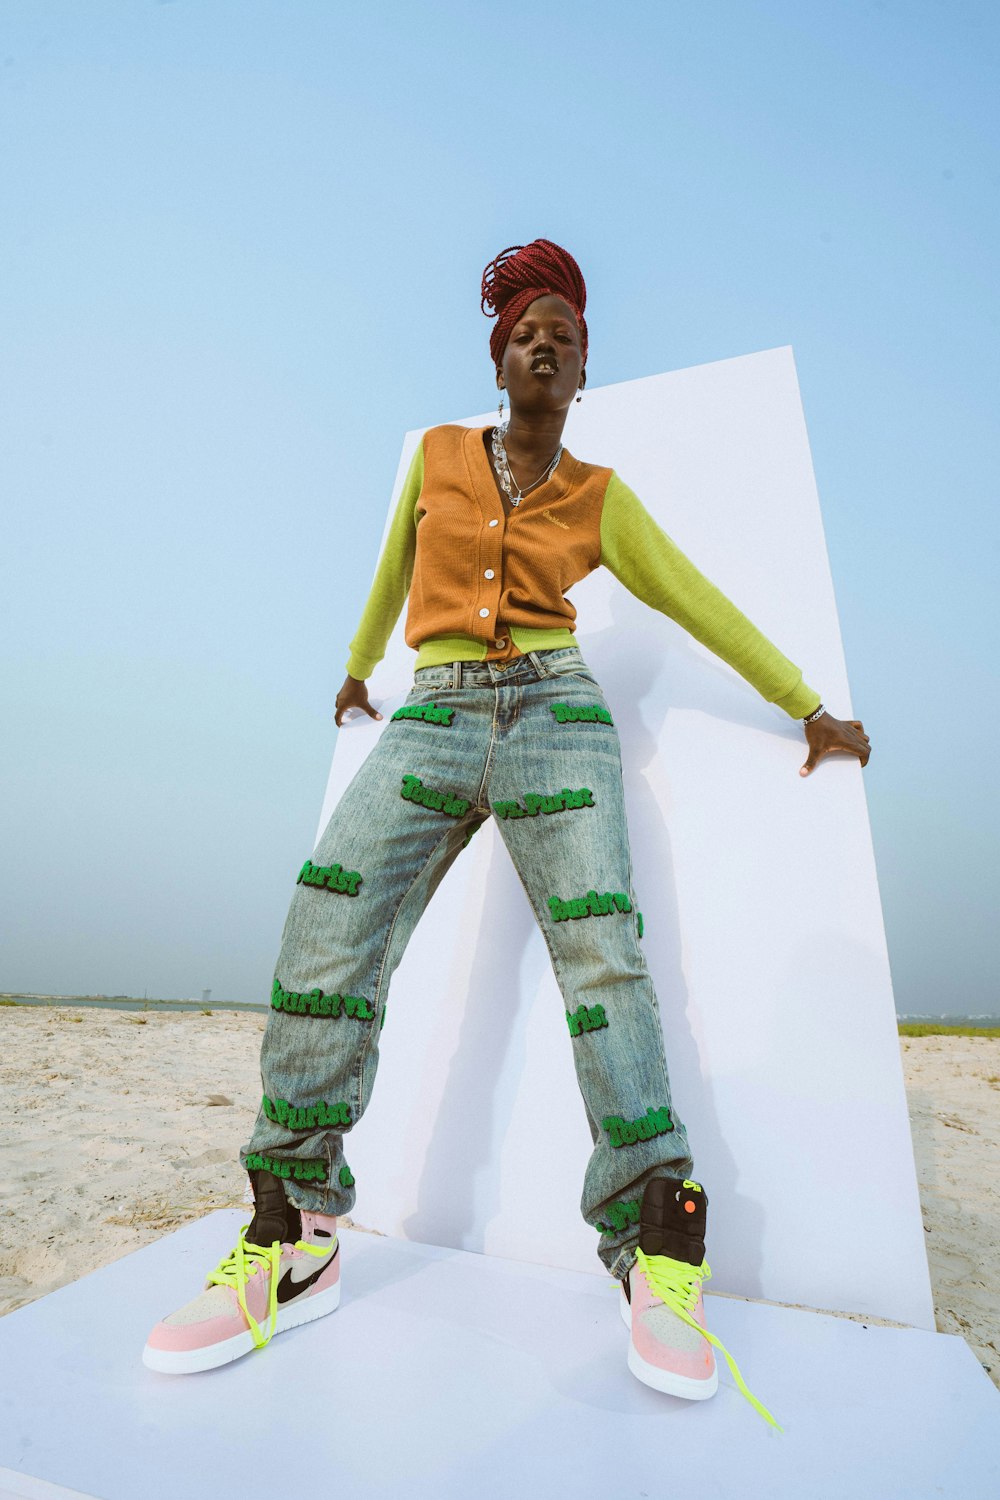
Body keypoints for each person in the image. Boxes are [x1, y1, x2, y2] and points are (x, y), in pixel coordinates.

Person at [143, 241, 870, 1422]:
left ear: (583, 373)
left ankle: (657, 1255)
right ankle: (293, 1232)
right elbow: (392, 568)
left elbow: (694, 596)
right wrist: (352, 669)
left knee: (602, 959)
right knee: (326, 931)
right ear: (500, 355)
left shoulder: (600, 497)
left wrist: (807, 704)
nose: (548, 343)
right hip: (430, 716)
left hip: (555, 713)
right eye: (530, 328)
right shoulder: (436, 456)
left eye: (568, 336)